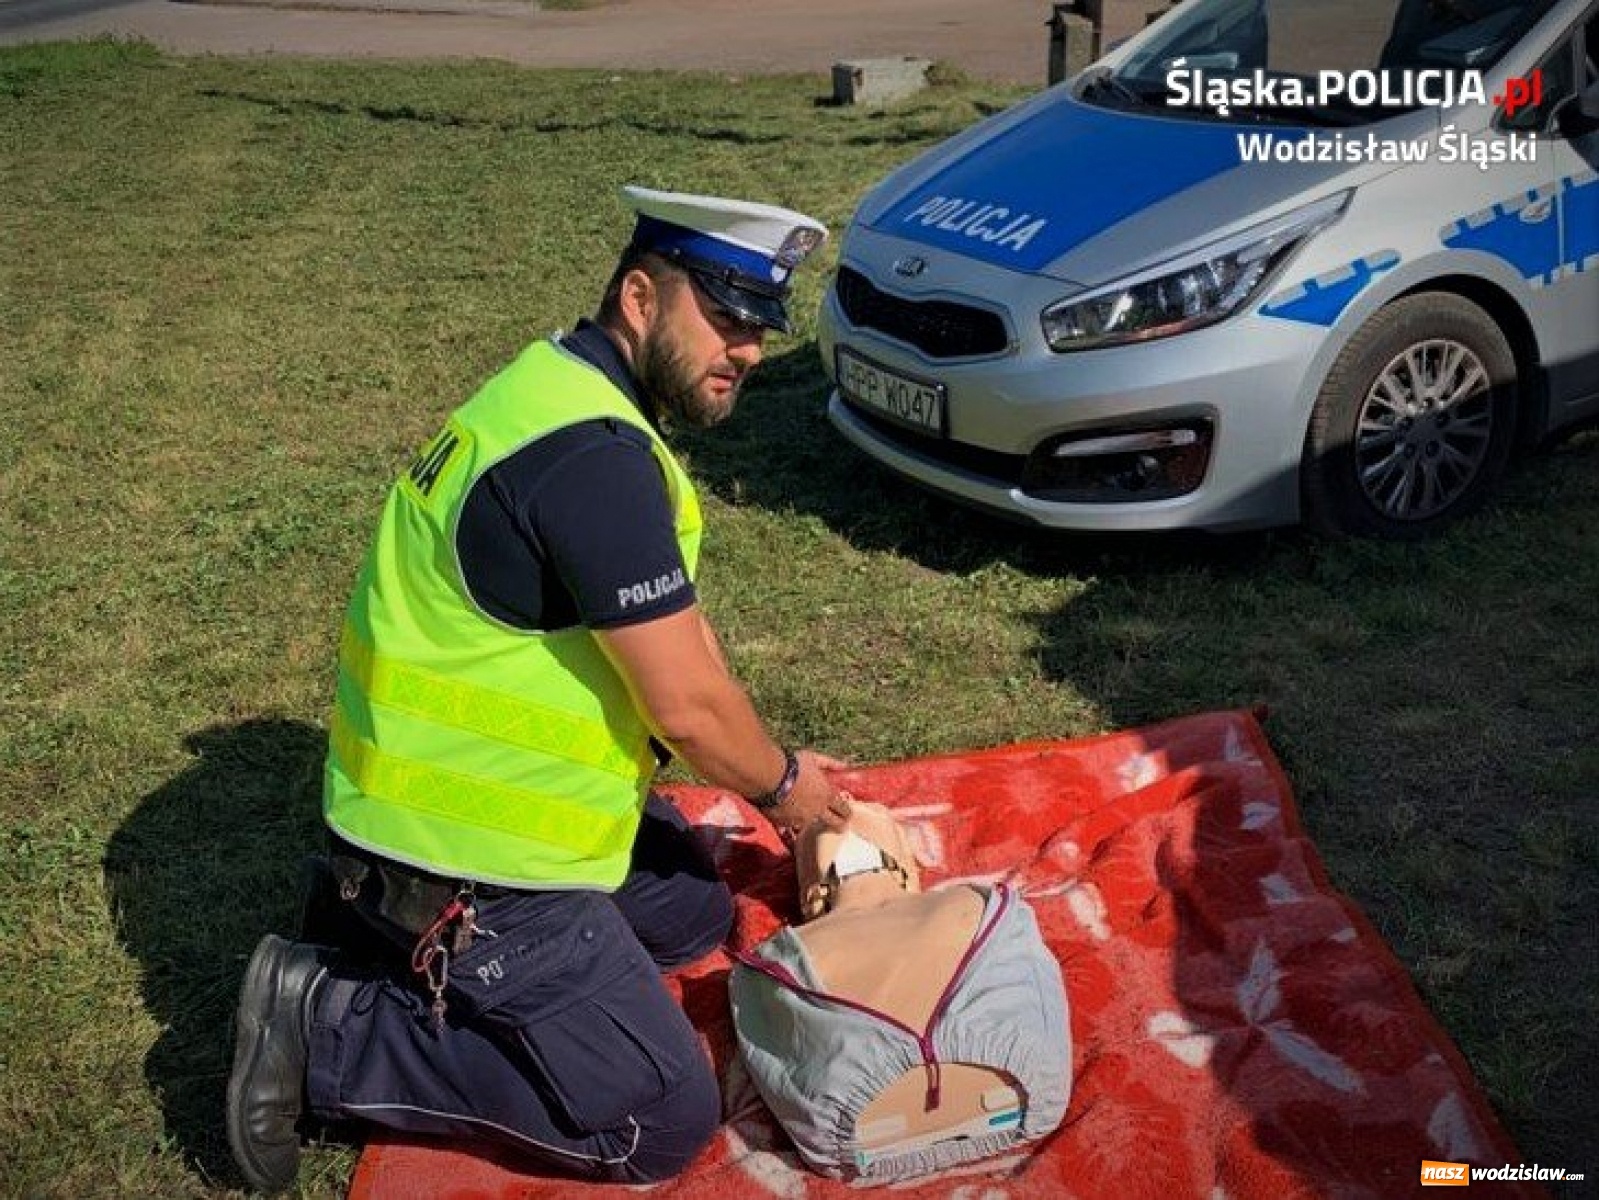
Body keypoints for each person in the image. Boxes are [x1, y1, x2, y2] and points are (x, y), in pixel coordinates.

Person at [225, 186, 854, 1194]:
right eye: (723, 319)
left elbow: (678, 640)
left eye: (759, 329)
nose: (743, 351)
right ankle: (330, 1026)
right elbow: (685, 705)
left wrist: (779, 769)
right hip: (463, 853)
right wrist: (788, 793)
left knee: (691, 914)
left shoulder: (556, 391)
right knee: (660, 1117)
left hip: (437, 806)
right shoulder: (592, 461)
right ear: (641, 298)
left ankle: (374, 928)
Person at [729, 804, 1071, 1183]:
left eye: (857, 805)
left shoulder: (774, 963)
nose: (840, 804)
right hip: (1031, 1086)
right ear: (909, 867)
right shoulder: (982, 904)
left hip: (844, 1130)